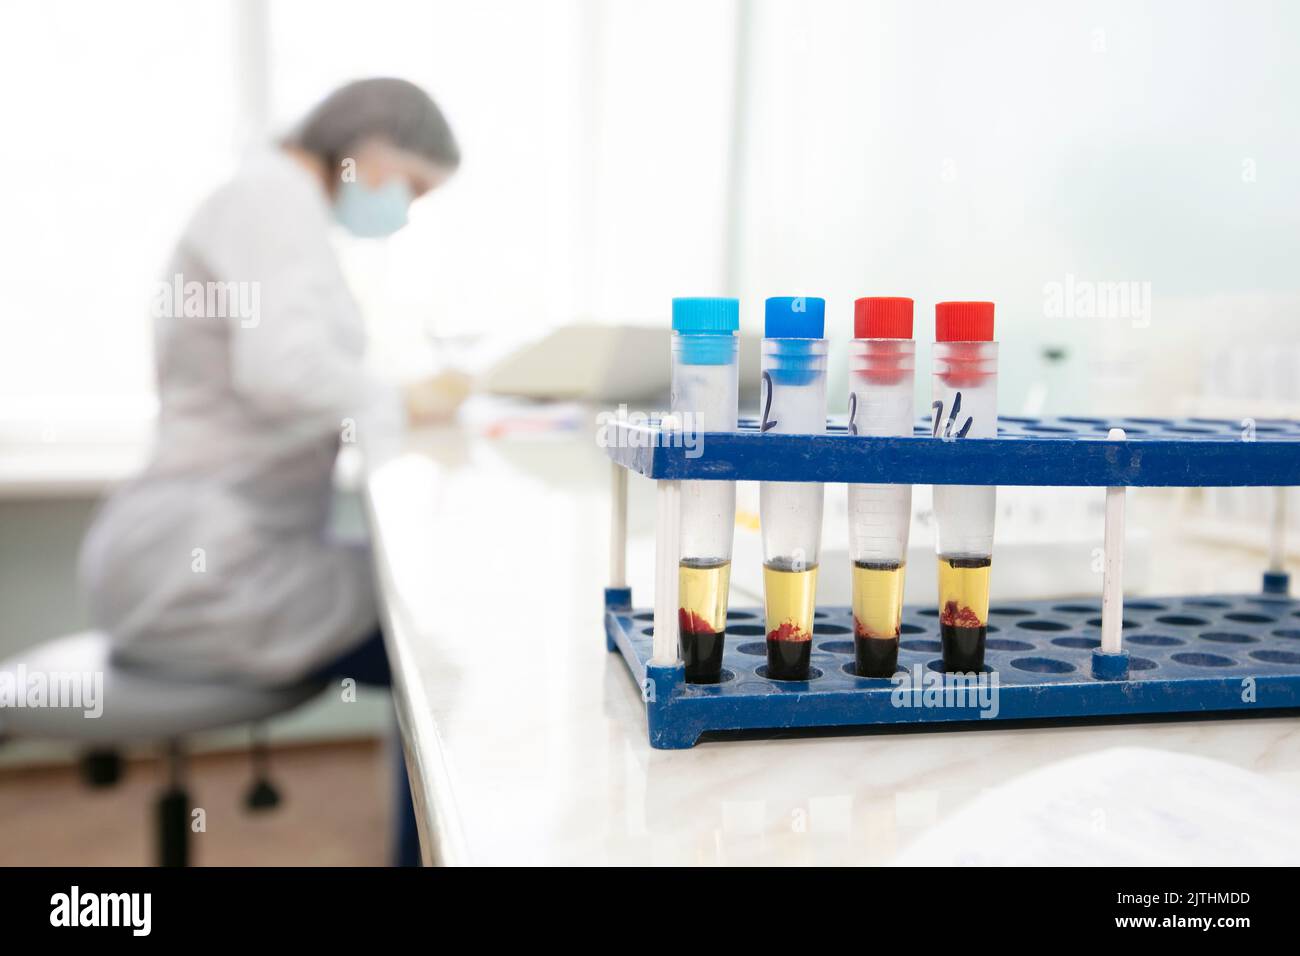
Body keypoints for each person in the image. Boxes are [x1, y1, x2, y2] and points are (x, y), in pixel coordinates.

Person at [78, 78, 464, 865]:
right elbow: (284, 370)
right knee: (427, 647)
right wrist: (400, 399)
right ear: (373, 149)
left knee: (418, 614)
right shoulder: (270, 199)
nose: (405, 210)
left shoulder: (280, 207)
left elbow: (295, 368)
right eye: (413, 187)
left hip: (214, 549)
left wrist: (393, 401)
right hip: (200, 568)